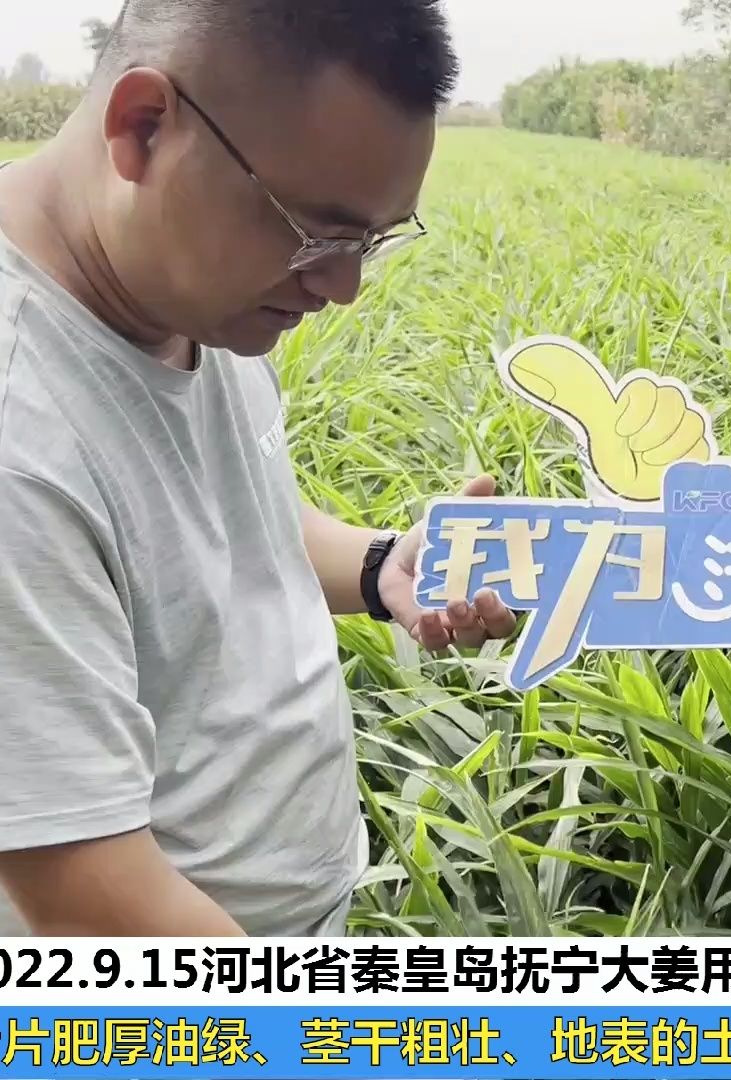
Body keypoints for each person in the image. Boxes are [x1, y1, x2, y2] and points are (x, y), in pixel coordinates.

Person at [0, 0, 517, 937]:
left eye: (371, 242)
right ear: (143, 126)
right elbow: (90, 897)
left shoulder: (193, 289)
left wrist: (377, 562)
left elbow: (209, 517)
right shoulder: (17, 436)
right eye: (317, 231)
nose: (344, 287)